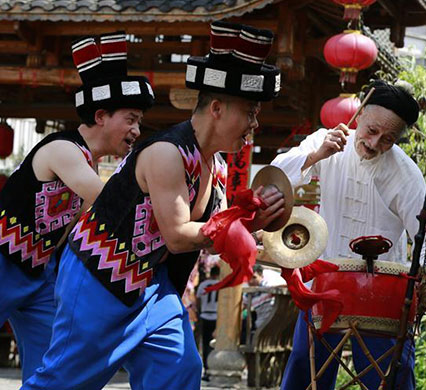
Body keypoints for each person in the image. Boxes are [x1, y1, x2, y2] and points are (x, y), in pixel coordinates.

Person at [21, 21, 284, 390]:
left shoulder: (216, 164)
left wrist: (255, 222)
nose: (255, 123)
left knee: (178, 371)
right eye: (250, 112)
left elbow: (214, 230)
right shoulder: (166, 153)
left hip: (153, 285)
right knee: (65, 382)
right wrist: (234, 229)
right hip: (100, 273)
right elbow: (178, 236)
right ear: (219, 108)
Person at [0, 31, 154, 383]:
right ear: (101, 116)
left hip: (38, 275)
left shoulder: (86, 162)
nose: (136, 130)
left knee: (55, 366)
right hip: (2, 260)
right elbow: (109, 201)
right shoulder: (64, 150)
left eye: (139, 123)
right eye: (130, 119)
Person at [273, 80, 426, 390]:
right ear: (360, 113)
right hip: (326, 281)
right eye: (372, 130)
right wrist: (318, 155)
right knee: (303, 367)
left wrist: (425, 285)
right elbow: (275, 176)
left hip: (383, 289)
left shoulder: (405, 173)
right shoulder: (329, 142)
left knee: (390, 375)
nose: (376, 143)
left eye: (389, 138)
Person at [196, 266, 220, 381]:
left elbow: (198, 300)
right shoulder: (223, 283)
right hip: (217, 316)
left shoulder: (203, 284)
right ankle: (214, 368)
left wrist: (200, 311)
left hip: (205, 315)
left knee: (205, 344)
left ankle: (206, 370)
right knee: (215, 344)